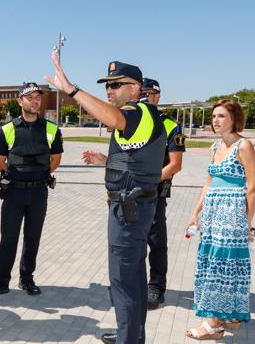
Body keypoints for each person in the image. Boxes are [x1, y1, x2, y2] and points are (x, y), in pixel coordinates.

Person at [45, 53, 165, 344]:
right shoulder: (141, 117)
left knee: (123, 284)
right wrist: (106, 164)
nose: (109, 90)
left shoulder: (138, 112)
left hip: (130, 211)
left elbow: (114, 118)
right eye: (107, 85)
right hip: (131, 206)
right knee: (132, 281)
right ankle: (131, 335)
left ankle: (128, 339)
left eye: (116, 84)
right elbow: (134, 160)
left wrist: (72, 90)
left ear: (136, 88)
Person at [82, 78, 185, 310]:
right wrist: (106, 162)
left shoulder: (168, 125)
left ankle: (156, 286)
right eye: (145, 93)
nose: (148, 97)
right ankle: (131, 294)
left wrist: (144, 182)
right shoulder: (128, 119)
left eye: (152, 94)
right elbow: (130, 163)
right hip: (130, 197)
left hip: (153, 194)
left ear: (157, 97)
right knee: (132, 249)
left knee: (156, 243)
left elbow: (175, 165)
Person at [0, 82, 63, 300]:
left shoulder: (52, 129)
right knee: (8, 238)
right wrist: (17, 176)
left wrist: (39, 174)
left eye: (38, 98)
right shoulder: (7, 129)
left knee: (33, 238)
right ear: (20, 101)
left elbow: (55, 160)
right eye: (30, 97)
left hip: (38, 193)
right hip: (14, 194)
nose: (35, 101)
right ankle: (1, 281)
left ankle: (27, 279)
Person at [185, 99, 255, 340]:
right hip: (212, 213)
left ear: (234, 119)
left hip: (233, 215)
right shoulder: (214, 146)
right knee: (215, 264)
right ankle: (231, 316)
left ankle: (212, 324)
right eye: (214, 116)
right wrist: (195, 212)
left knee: (223, 266)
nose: (215, 121)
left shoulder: (244, 146)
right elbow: (208, 183)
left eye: (221, 116)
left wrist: (245, 221)